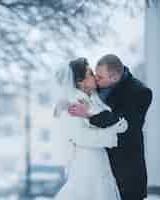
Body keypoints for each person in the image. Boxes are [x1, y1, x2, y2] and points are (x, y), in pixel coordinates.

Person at [68, 54, 153, 200]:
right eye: (94, 74)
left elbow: (121, 122)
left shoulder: (140, 93)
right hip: (99, 166)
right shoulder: (97, 87)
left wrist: (88, 115)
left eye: (99, 77)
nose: (95, 78)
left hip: (126, 171)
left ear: (113, 77)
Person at [53, 57, 127, 200]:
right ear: (81, 82)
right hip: (87, 163)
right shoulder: (72, 104)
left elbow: (110, 120)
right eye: (91, 74)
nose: (95, 78)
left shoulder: (93, 98)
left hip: (99, 160)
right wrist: (111, 135)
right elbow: (81, 137)